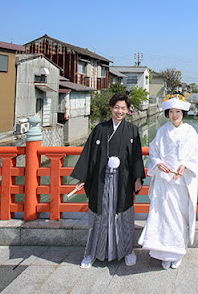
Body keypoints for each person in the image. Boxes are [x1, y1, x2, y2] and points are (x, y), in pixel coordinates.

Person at [70, 92, 145, 269]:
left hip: (123, 181)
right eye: (117, 107)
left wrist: (137, 178)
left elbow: (136, 157)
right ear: (111, 108)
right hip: (100, 180)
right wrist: (83, 177)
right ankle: (92, 253)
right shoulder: (100, 129)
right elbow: (89, 155)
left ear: (128, 111)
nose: (120, 111)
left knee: (123, 216)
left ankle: (127, 251)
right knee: (98, 216)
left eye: (123, 108)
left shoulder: (132, 130)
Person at [138, 93, 198, 269]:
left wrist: (185, 165)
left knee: (178, 217)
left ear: (183, 113)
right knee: (163, 216)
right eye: (171, 111)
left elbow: (197, 153)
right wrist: (158, 163)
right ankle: (163, 253)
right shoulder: (162, 131)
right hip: (164, 181)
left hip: (181, 181)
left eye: (178, 111)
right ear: (167, 113)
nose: (174, 115)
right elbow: (153, 150)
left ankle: (178, 251)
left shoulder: (190, 131)